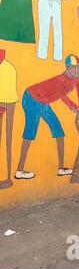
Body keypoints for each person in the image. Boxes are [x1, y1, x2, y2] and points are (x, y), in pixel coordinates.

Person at [15, 54, 79, 180]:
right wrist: (74, 107)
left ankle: (61, 168)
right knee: (30, 132)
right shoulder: (61, 80)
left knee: (58, 131)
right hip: (32, 97)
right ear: (69, 68)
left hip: (44, 102)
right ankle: (19, 170)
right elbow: (63, 96)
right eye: (78, 67)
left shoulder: (76, 79)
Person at [0, 49, 18, 189]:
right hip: (7, 101)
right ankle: (6, 177)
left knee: (7, 139)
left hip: (7, 102)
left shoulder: (8, 68)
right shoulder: (9, 67)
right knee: (7, 140)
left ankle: (6, 177)